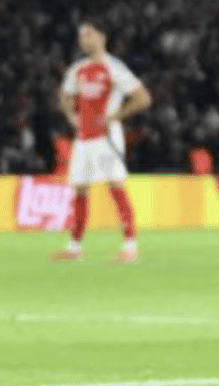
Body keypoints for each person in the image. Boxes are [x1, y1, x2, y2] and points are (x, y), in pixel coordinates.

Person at [52, 21, 152, 263]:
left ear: (102, 37)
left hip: (106, 138)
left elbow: (143, 98)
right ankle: (74, 248)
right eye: (81, 36)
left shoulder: (114, 68)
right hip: (83, 138)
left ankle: (131, 247)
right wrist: (71, 116)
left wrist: (115, 116)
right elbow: (64, 94)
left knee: (115, 185)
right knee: (79, 188)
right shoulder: (78, 69)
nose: (84, 40)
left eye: (88, 34)